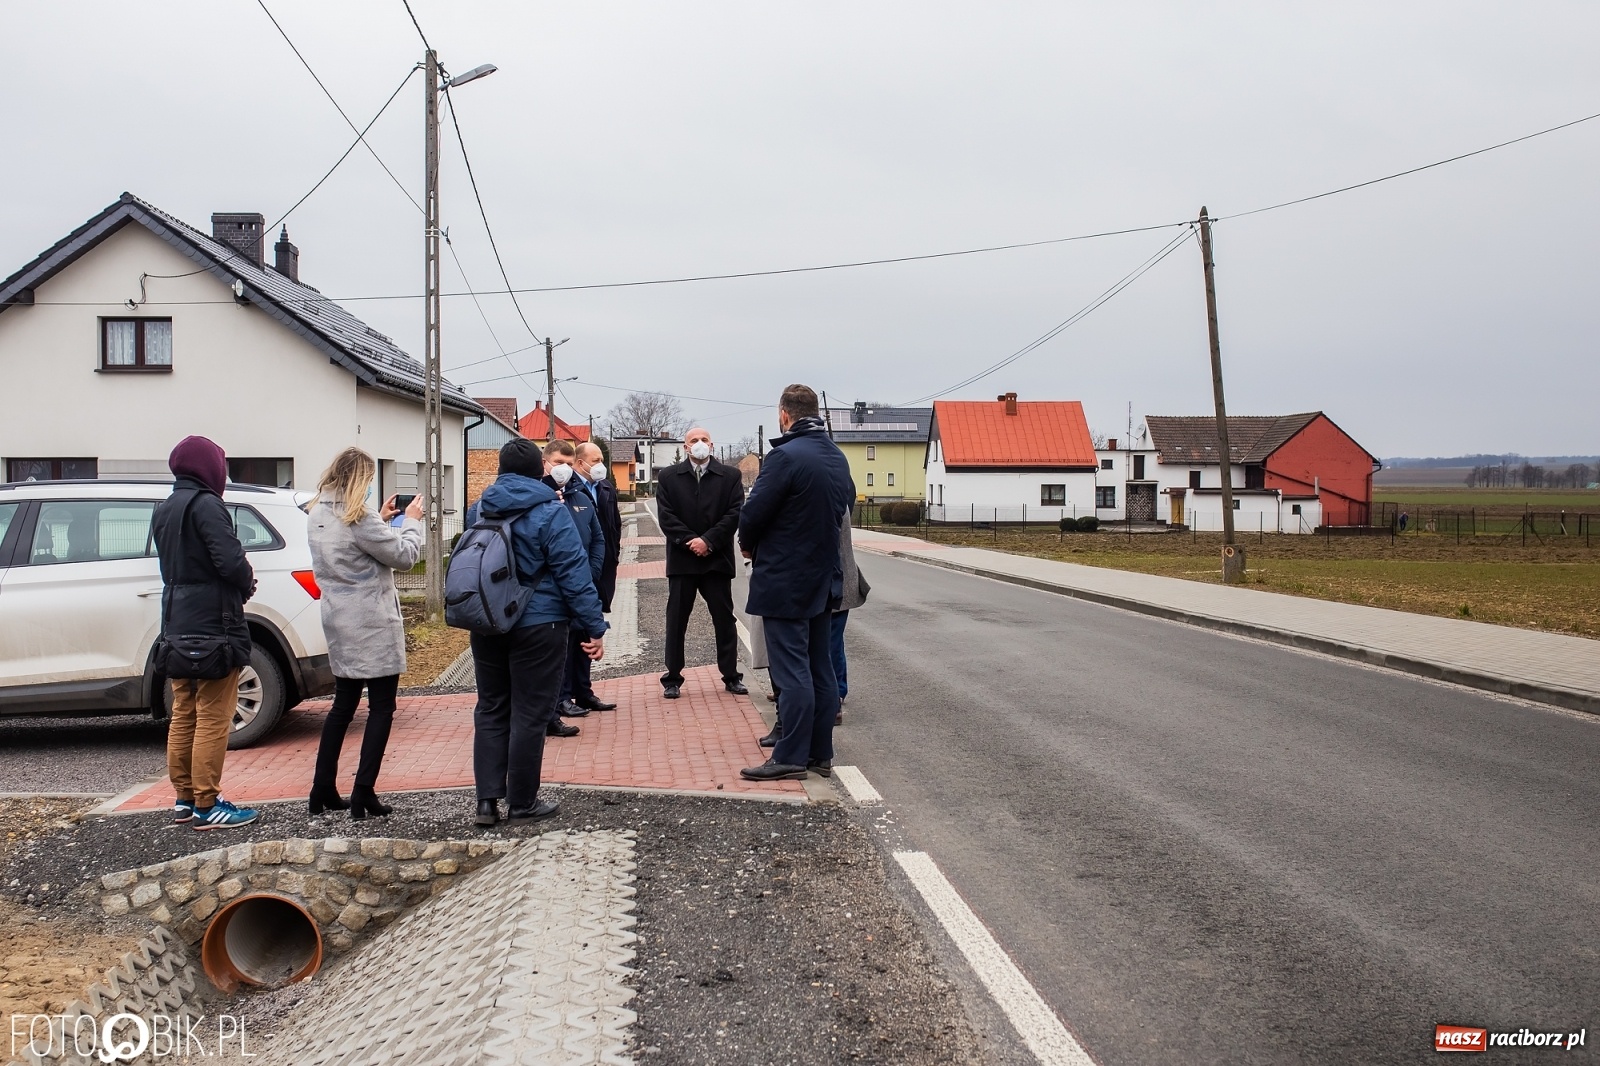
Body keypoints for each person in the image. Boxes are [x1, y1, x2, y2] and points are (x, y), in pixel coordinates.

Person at [467, 438, 607, 827]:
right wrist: (594, 627)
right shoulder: (550, 511)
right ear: (538, 470)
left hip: (488, 621)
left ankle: (486, 803)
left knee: (492, 707)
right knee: (530, 713)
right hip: (539, 624)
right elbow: (574, 574)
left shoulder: (480, 508)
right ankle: (523, 802)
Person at [738, 386, 855, 780]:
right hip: (824, 578)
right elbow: (844, 506)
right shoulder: (836, 457)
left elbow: (752, 514)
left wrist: (750, 546)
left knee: (792, 673)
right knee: (820, 668)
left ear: (784, 414)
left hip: (785, 581)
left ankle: (789, 756)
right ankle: (820, 752)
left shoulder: (784, 456)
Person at [305, 447, 425, 820]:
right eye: (370, 480)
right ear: (361, 481)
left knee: (343, 706)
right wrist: (411, 521)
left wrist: (383, 519)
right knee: (382, 708)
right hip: (371, 624)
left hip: (338, 619)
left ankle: (321, 787)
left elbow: (360, 549)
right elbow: (405, 557)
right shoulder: (359, 518)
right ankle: (363, 791)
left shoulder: (318, 512)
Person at [151, 436, 260, 830]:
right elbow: (230, 561)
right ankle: (208, 804)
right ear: (209, 468)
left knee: (183, 713)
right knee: (214, 716)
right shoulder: (208, 505)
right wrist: (247, 582)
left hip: (177, 624)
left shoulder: (163, 509)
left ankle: (184, 799)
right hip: (215, 626)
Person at [655, 427, 747, 699]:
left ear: (712, 445)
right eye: (693, 441)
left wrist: (708, 540)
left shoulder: (730, 475)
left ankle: (731, 675)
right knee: (676, 620)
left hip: (716, 560)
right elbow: (667, 516)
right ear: (685, 447)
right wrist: (690, 541)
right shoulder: (669, 477)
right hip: (683, 561)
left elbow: (734, 513)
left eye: (704, 440)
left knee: (724, 619)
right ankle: (672, 678)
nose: (699, 444)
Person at [759, 520, 868, 748]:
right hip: (830, 581)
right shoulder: (835, 484)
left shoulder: (824, 486)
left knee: (825, 652)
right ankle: (822, 724)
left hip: (828, 583)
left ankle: (830, 708)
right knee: (824, 653)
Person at [542, 440, 607, 730]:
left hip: (582, 582)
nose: (564, 469)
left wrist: (590, 573)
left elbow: (598, 538)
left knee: (583, 637)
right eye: (559, 463)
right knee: (560, 646)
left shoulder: (581, 495)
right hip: (553, 587)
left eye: (568, 464)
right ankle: (560, 699)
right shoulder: (541, 496)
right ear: (545, 463)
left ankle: (582, 691)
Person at [577, 441, 623, 614]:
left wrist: (614, 553)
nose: (600, 465)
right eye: (596, 460)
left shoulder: (606, 487)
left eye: (602, 460)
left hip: (606, 562)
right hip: (583, 561)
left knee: (600, 610)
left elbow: (616, 524)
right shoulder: (571, 488)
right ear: (581, 463)